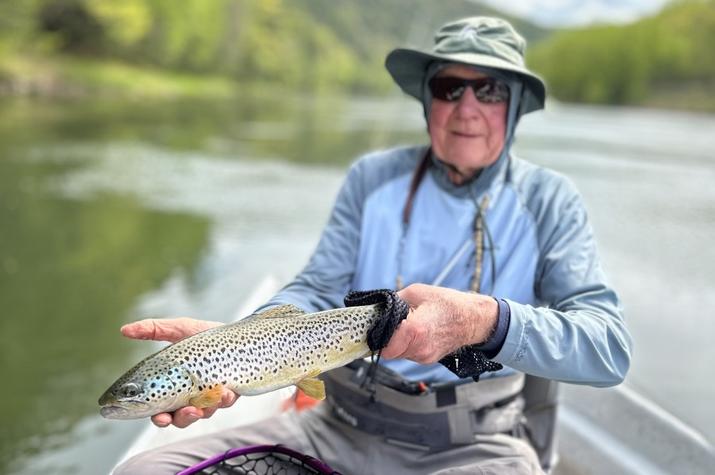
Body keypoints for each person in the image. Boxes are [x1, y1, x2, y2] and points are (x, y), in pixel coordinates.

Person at [115, 16, 632, 475]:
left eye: (490, 90)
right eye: (450, 87)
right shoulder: (372, 178)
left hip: (476, 446)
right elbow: (318, 286)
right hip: (337, 426)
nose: (466, 108)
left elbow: (608, 348)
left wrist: (484, 320)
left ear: (515, 106)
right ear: (428, 100)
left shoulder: (551, 201)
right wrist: (241, 344)